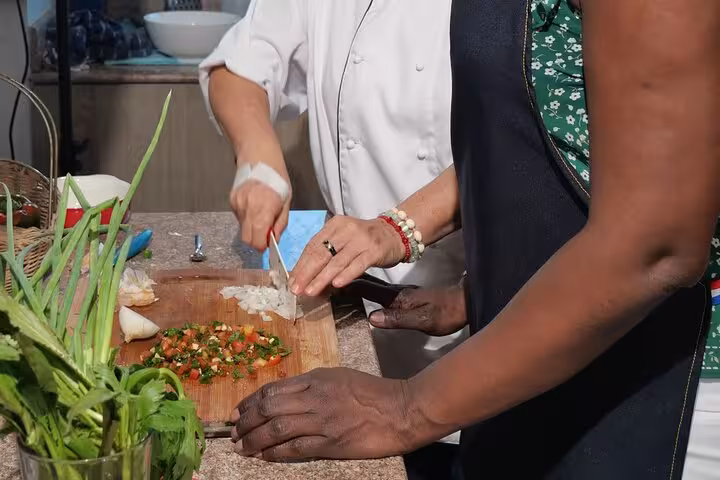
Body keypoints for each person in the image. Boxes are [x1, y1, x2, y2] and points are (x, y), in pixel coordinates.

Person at [227, 0, 720, 478]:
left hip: (658, 393)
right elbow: (539, 131)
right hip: (535, 374)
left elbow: (655, 247)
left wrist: (405, 408)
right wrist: (482, 284)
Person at [197, 0, 467, 382]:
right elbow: (239, 66)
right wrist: (257, 152)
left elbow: (514, 148)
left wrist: (394, 229)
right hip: (348, 300)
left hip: (463, 314)